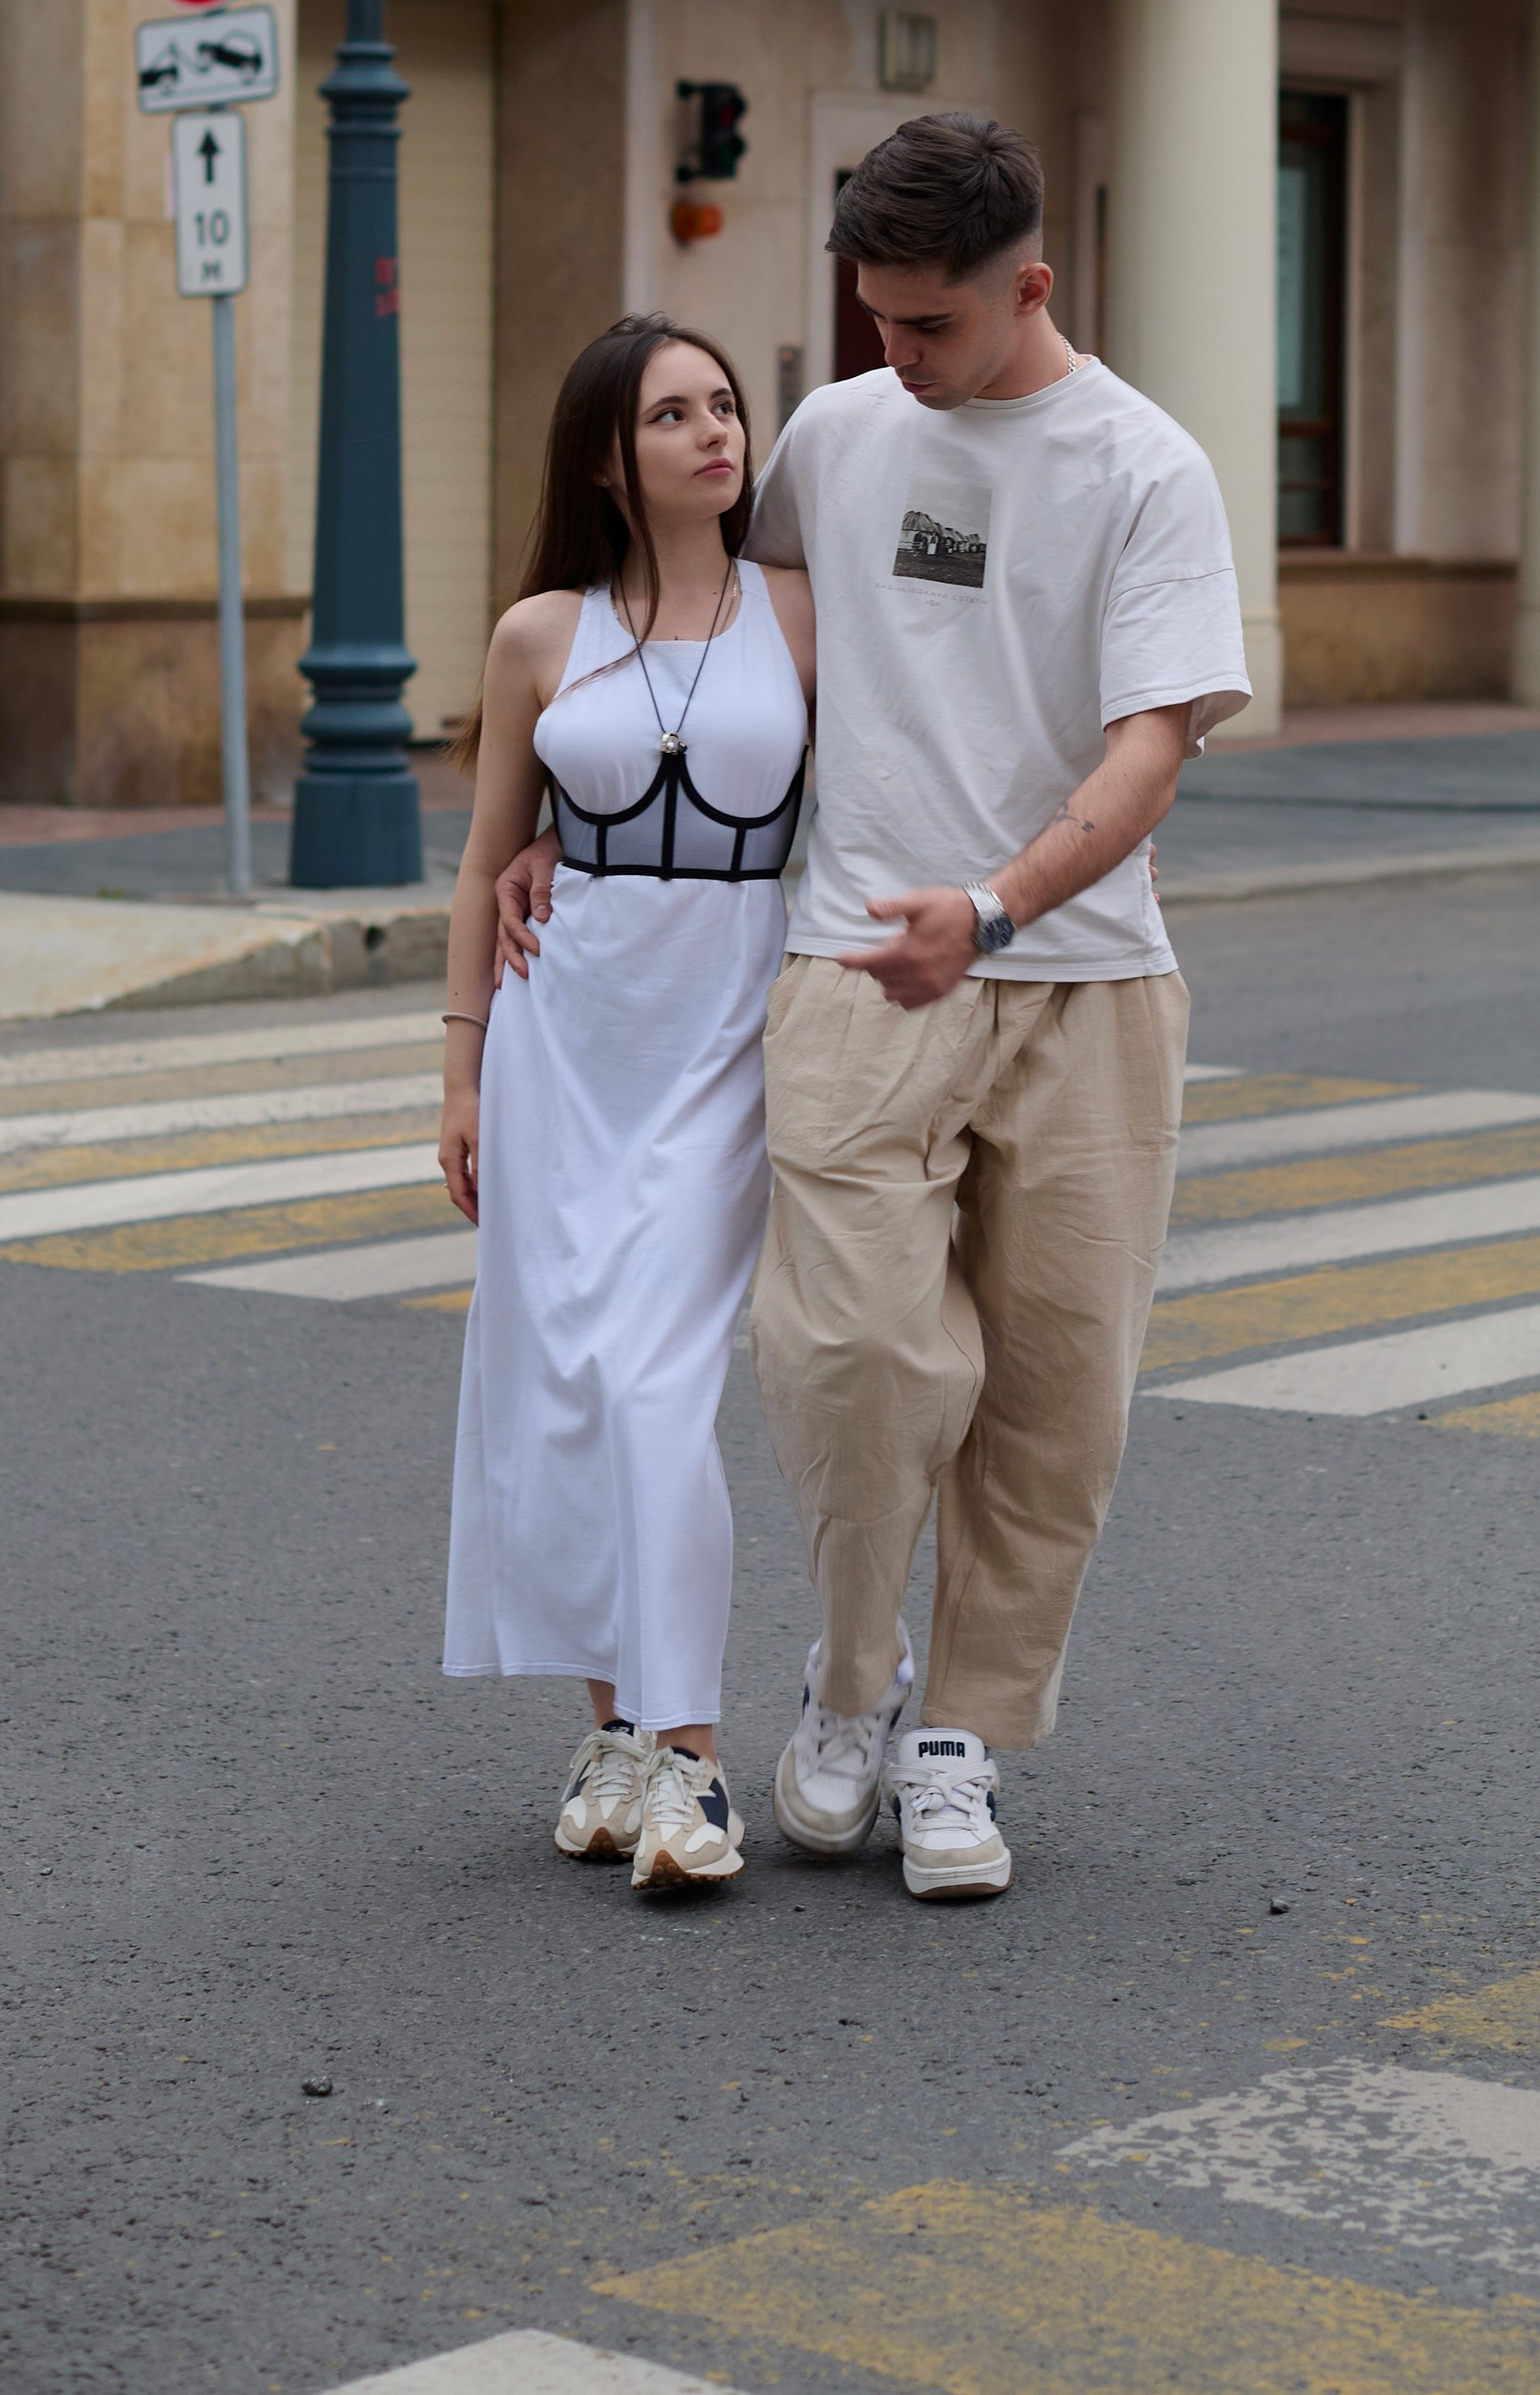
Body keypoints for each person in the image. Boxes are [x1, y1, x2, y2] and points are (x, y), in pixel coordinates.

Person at [501, 111, 1249, 1904]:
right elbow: (696, 641)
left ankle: (957, 1737)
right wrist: (560, 822)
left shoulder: (1147, 468)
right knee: (849, 1359)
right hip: (847, 971)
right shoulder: (839, 435)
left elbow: (1156, 746)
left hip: (1082, 983)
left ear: (1029, 288)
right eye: (871, 318)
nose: (891, 357)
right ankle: (847, 1684)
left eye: (930, 324)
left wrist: (992, 906)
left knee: (1057, 1395)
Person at [440, 315, 813, 1895]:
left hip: (726, 1030)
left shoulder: (803, 613)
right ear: (610, 452)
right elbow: (486, 858)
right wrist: (459, 1072)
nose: (717, 432)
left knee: (658, 1386)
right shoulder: (541, 633)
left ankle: (699, 1765)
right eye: (675, 413)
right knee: (573, 1382)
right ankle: (615, 1735)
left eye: (726, 406)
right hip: (561, 1033)